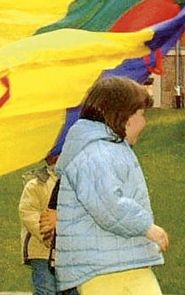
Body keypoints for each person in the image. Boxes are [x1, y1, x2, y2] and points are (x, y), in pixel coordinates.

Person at [55, 76, 169, 294]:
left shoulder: (109, 150)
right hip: (104, 269)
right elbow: (108, 205)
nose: (144, 123)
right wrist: (147, 227)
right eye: (141, 115)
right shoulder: (95, 153)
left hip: (120, 262)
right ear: (124, 117)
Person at [20, 156, 66, 295]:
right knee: (47, 289)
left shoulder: (75, 182)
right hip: (42, 251)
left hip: (69, 252)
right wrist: (46, 234)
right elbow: (28, 213)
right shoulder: (36, 185)